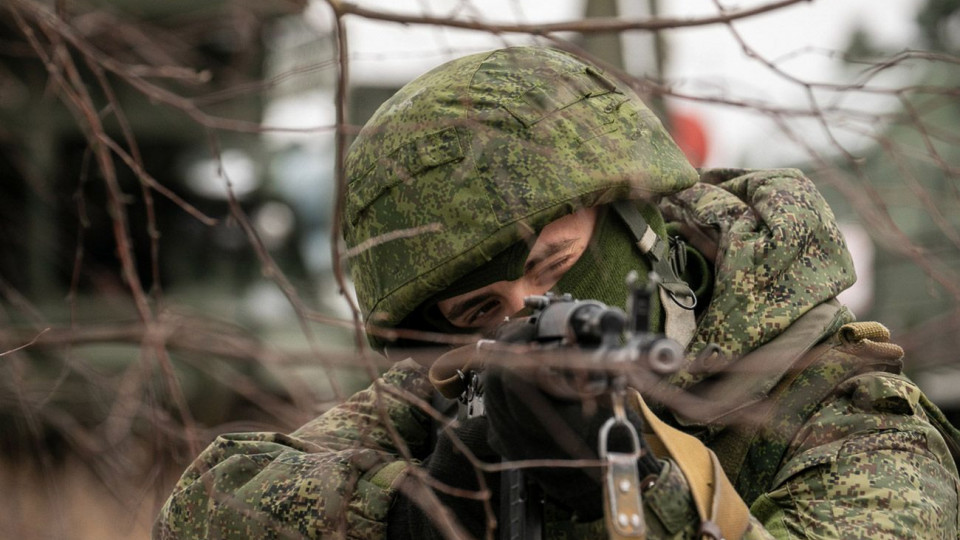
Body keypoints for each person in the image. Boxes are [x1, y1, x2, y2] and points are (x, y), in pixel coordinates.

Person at [154, 47, 960, 539]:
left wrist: (630, 491)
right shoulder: (461, 392)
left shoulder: (845, 415)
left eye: (554, 265)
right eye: (480, 310)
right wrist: (429, 512)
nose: (524, 319)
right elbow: (203, 512)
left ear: (638, 217)